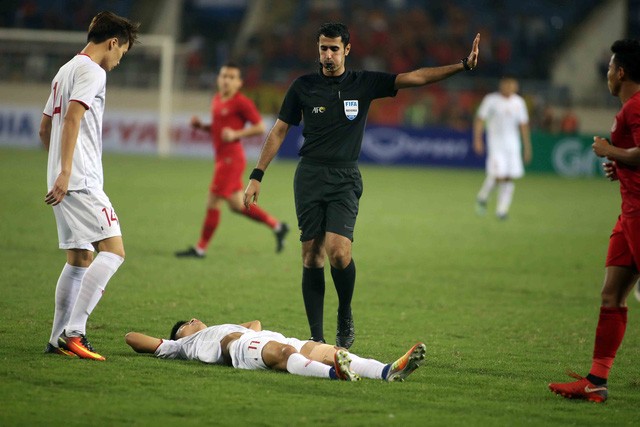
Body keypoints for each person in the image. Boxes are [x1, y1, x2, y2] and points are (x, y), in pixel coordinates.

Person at [243, 22, 480, 348]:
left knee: (339, 252)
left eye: (334, 49)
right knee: (311, 255)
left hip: (345, 178)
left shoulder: (363, 83)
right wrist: (257, 175)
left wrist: (463, 65)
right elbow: (279, 130)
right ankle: (317, 338)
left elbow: (416, 77)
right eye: (323, 49)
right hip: (310, 176)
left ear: (347, 50)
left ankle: (344, 312)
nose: (328, 55)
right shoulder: (303, 86)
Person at [39, 11, 139, 361]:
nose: (119, 60)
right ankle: (74, 332)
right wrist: (68, 170)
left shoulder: (65, 69)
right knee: (114, 251)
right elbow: (72, 117)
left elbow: (44, 129)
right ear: (112, 43)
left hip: (63, 178)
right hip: (79, 179)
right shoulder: (93, 71)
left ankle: (56, 339)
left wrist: (57, 168)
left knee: (81, 257)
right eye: (122, 52)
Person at [548, 39, 640, 403]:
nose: (607, 75)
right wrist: (621, 167)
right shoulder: (630, 107)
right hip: (628, 214)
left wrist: (609, 150)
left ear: (621, 72)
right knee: (611, 295)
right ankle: (596, 381)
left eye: (610, 68)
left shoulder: (637, 106)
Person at [175, 62, 289, 258]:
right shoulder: (217, 99)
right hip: (223, 158)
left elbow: (260, 127)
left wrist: (236, 134)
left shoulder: (241, 102)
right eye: (223, 76)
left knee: (213, 200)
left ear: (239, 83)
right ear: (218, 79)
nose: (226, 80)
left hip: (231, 159)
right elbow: (219, 128)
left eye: (231, 77)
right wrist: (202, 127)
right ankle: (278, 226)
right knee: (237, 205)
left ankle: (200, 249)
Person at [125, 318, 426, 382]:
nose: (191, 321)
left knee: (326, 349)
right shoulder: (183, 345)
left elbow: (255, 323)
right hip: (241, 348)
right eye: (184, 325)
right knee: (283, 354)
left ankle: (386, 371)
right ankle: (335, 375)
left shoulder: (221, 326)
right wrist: (171, 341)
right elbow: (131, 338)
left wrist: (244, 327)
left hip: (263, 337)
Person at [473, 77, 532, 220]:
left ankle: (501, 211)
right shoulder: (491, 100)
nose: (509, 87)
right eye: (507, 84)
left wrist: (527, 147)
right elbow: (480, 119)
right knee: (499, 176)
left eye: (512, 84)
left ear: (516, 86)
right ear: (501, 85)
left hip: (513, 146)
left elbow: (523, 125)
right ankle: (483, 196)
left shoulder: (519, 102)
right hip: (496, 145)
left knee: (509, 178)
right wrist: (477, 140)